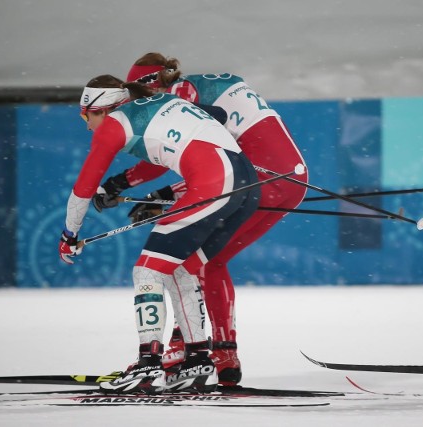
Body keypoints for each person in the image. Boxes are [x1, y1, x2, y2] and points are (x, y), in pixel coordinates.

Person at [92, 53, 308, 386]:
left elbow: (173, 154)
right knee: (210, 262)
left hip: (256, 180)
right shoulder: (201, 85)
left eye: (139, 96)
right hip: (290, 180)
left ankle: (184, 350)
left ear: (151, 85)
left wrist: (122, 183)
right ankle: (222, 355)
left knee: (187, 262)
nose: (140, 106)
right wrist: (161, 192)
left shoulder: (181, 93)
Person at [59, 74, 261, 394]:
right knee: (179, 266)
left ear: (101, 108)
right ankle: (196, 356)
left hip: (215, 182)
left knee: (146, 270)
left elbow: (84, 188)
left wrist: (69, 235)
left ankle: (147, 361)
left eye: (86, 115)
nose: (86, 125)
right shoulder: (162, 100)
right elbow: (219, 117)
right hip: (248, 183)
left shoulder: (114, 124)